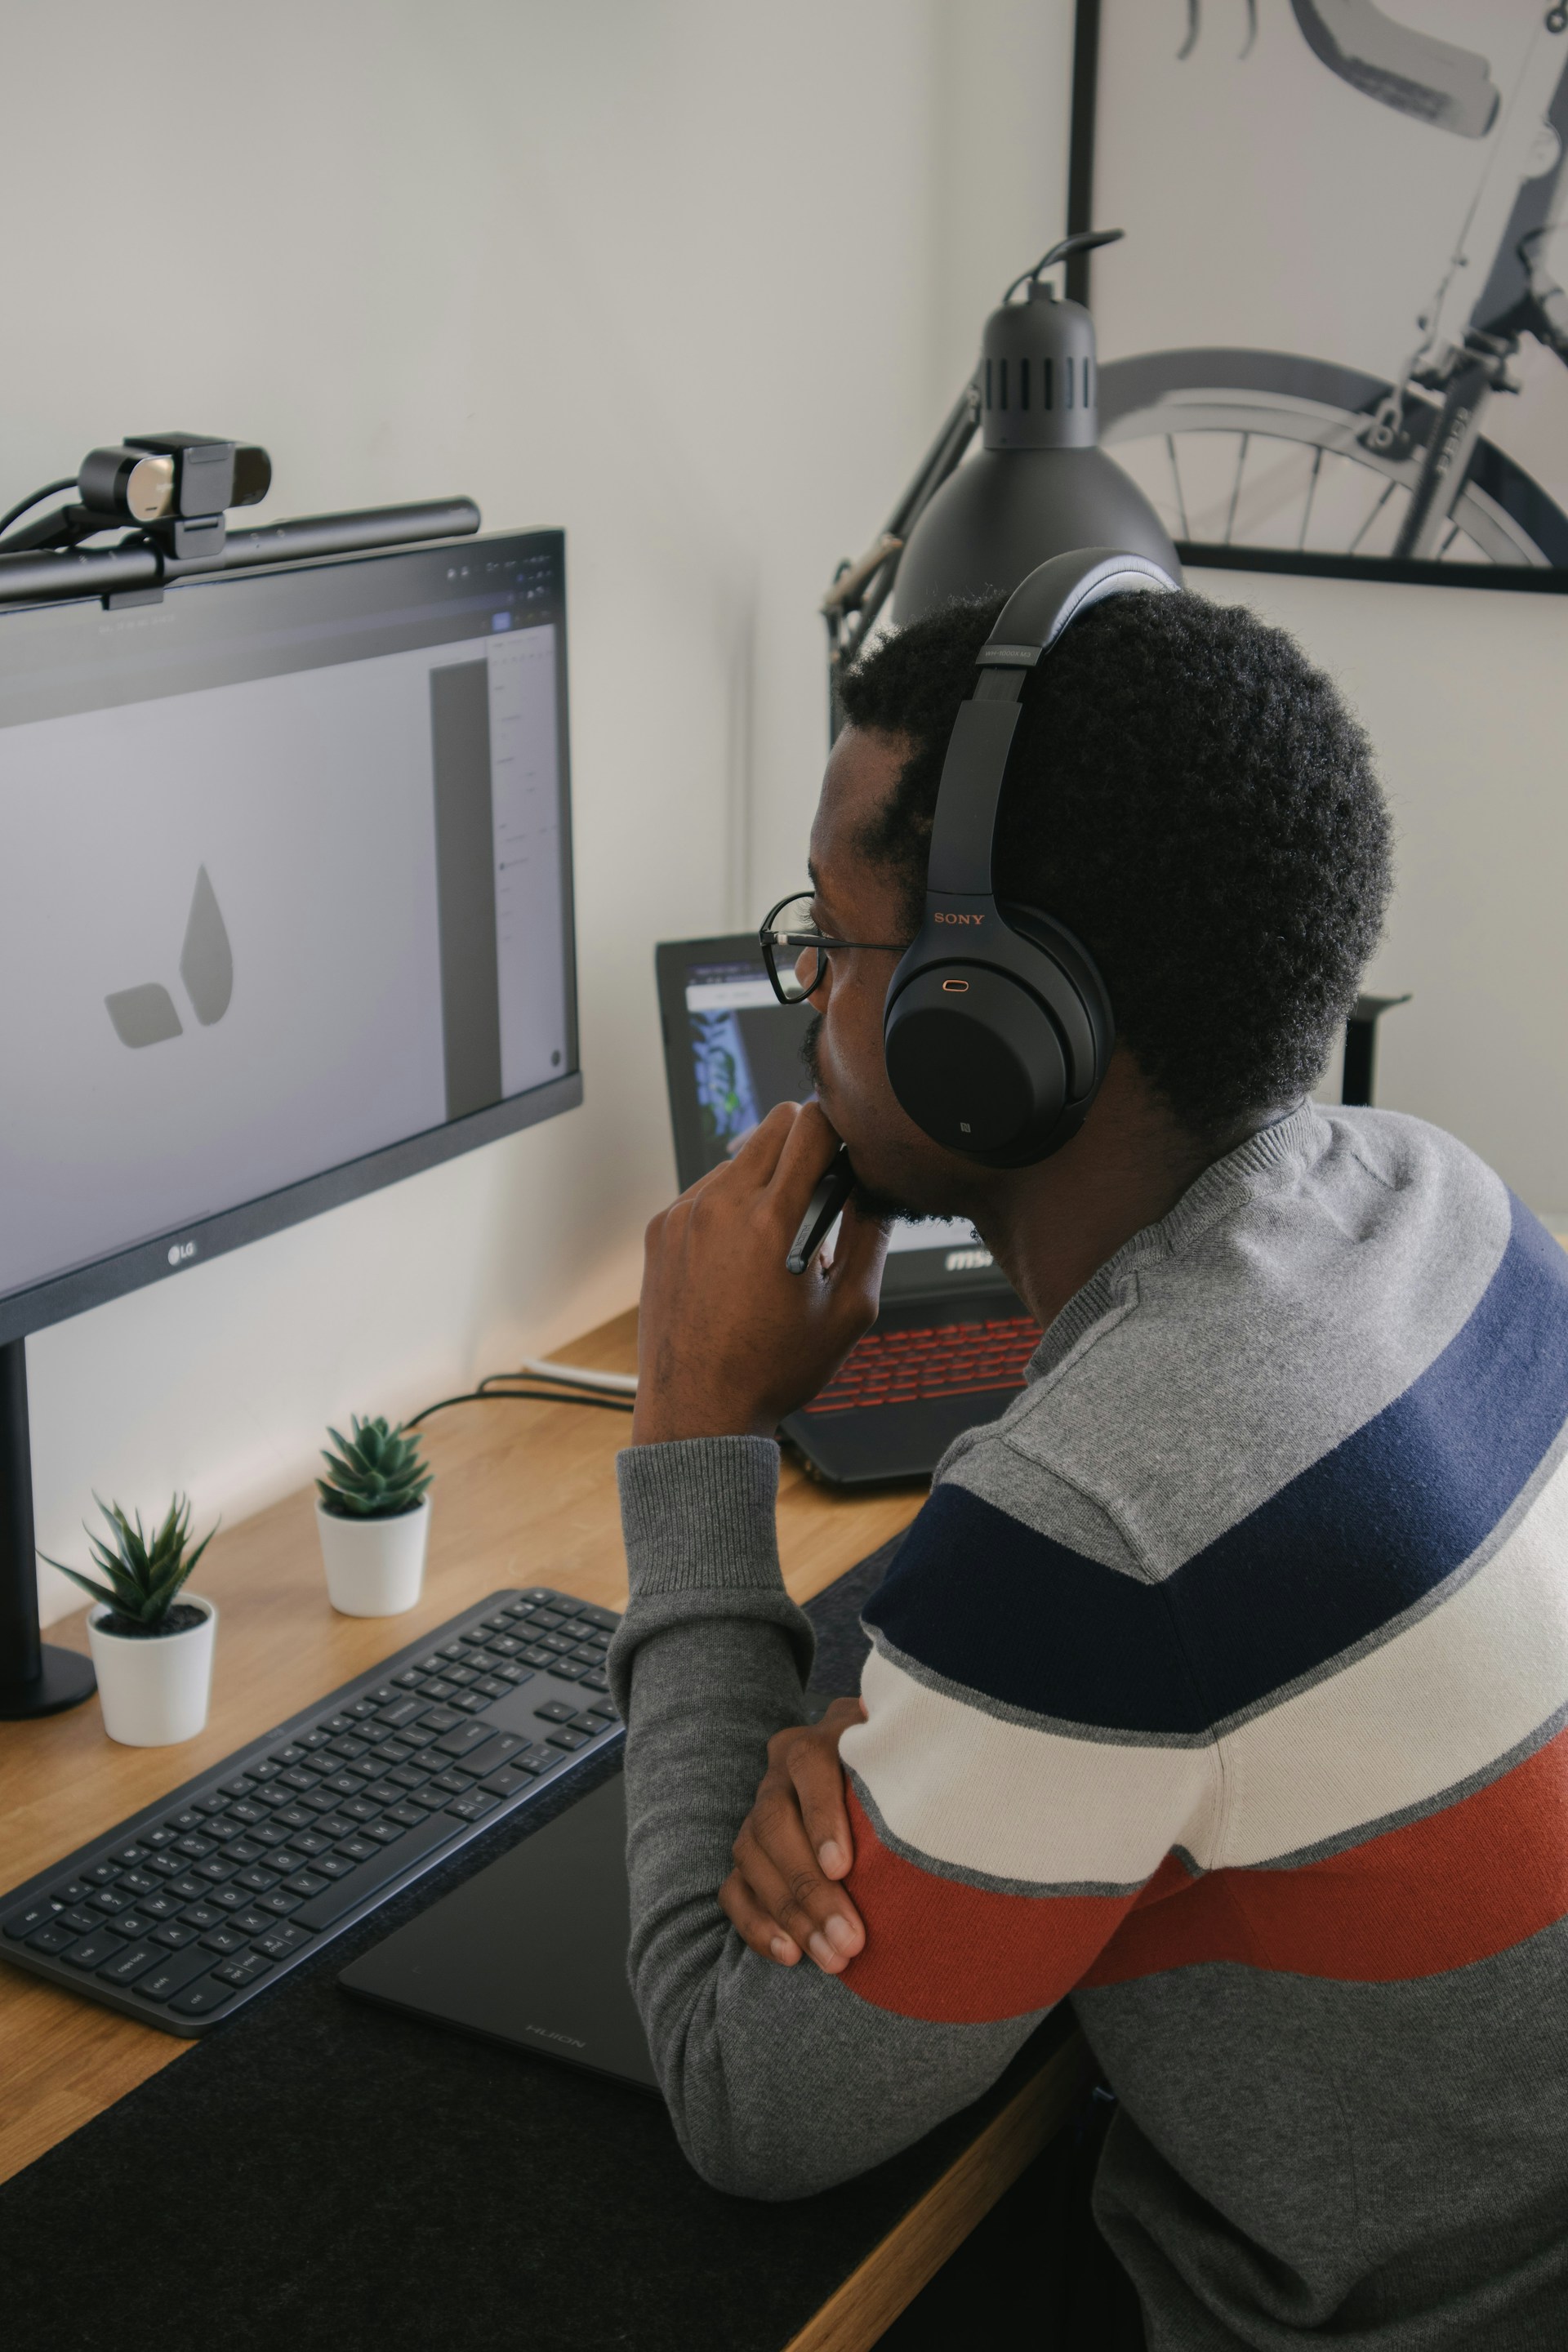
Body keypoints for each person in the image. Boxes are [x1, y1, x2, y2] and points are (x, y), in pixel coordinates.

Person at [606, 586, 1568, 2350]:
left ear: (994, 1021)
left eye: (832, 942)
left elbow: (744, 2095)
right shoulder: (1445, 1204)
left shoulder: (1108, 1518)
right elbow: (1147, 1656)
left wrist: (693, 1453)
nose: (807, 998)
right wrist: (928, 1734)